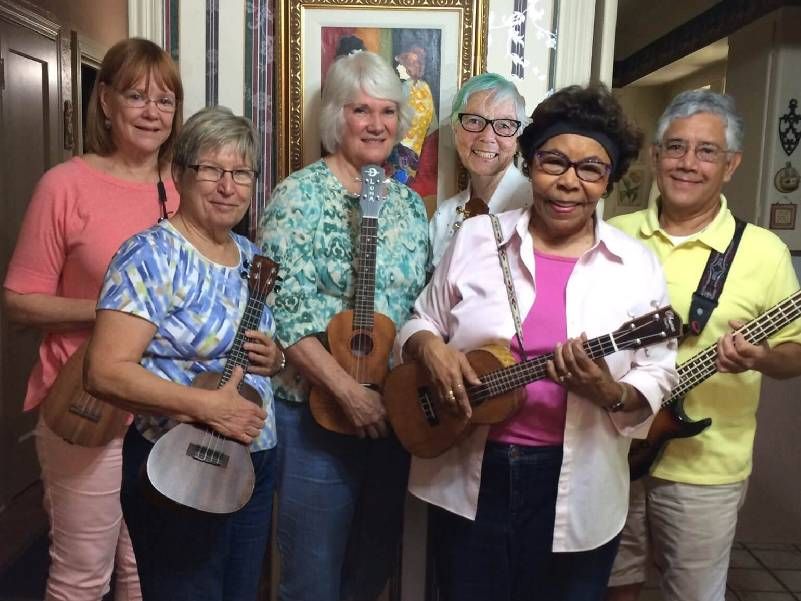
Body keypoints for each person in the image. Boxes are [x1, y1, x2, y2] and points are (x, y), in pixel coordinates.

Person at [396, 84, 678, 601]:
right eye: (554, 162)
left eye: (590, 168)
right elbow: (420, 322)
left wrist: (609, 392)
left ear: (608, 179)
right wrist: (430, 349)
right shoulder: (479, 238)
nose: (569, 182)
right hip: (469, 470)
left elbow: (658, 370)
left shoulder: (636, 265)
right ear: (530, 164)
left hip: (580, 480)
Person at [2, 37, 183, 601]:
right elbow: (19, 301)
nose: (152, 112)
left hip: (166, 410)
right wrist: (115, 312)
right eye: (136, 96)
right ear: (105, 102)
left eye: (165, 100)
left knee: (141, 568)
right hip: (87, 405)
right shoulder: (64, 186)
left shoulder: (183, 191)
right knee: (83, 574)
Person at [605, 91, 801, 601]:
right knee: (610, 586)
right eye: (676, 147)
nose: (688, 163)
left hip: (705, 469)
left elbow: (795, 352)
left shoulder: (765, 252)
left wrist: (761, 358)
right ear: (655, 156)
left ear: (731, 164)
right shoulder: (613, 235)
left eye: (707, 151)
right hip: (607, 450)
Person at [84, 106, 282, 601]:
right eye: (211, 169)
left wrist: (276, 359)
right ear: (180, 173)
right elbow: (103, 372)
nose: (227, 185)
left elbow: (265, 355)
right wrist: (209, 406)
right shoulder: (150, 254)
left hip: (254, 461)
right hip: (179, 461)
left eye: (240, 173)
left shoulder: (251, 258)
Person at [258, 50, 430, 601]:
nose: (377, 124)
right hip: (314, 417)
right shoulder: (298, 196)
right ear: (336, 117)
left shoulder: (408, 205)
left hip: (391, 418)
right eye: (361, 110)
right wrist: (346, 393)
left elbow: (419, 307)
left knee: (370, 567)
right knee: (312, 572)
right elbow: (286, 311)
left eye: (387, 111)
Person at [429, 72, 531, 267]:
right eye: (474, 121)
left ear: (518, 139)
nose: (487, 136)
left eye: (504, 125)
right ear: (455, 128)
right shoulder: (445, 216)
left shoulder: (535, 207)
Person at [388, 45, 437, 185]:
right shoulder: (424, 87)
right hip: (418, 148)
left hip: (402, 147)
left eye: (401, 65)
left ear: (409, 68)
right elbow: (433, 123)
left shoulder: (404, 88)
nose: (398, 68)